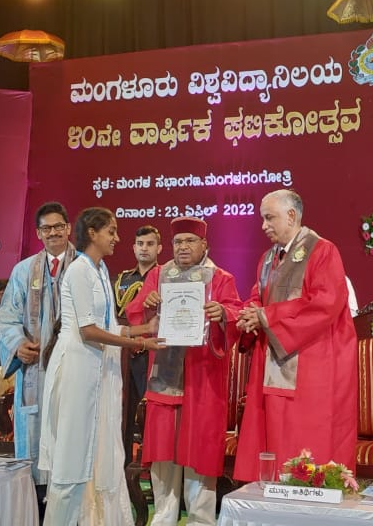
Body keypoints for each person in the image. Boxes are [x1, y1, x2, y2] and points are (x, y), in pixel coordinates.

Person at [37, 207, 165, 526]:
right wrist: (140, 343)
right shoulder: (79, 270)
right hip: (76, 368)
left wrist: (145, 329)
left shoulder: (100, 269)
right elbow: (88, 331)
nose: (117, 238)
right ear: (92, 233)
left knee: (95, 452)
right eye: (111, 231)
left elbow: (107, 325)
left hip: (96, 369)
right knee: (73, 455)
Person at [233, 189, 358, 480]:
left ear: (291, 216)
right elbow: (258, 296)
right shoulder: (268, 258)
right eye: (262, 219)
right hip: (273, 359)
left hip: (311, 361)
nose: (263, 226)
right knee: (272, 434)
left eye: (269, 218)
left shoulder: (322, 251)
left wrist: (266, 316)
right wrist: (249, 315)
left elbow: (325, 303)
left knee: (305, 437)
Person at [124, 217, 240, 526]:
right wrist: (148, 304)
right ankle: (163, 519)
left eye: (190, 241)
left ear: (204, 244)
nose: (183, 247)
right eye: (178, 242)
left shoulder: (220, 278)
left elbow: (236, 314)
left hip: (203, 382)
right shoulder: (159, 275)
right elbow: (136, 312)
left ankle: (201, 520)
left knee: (199, 453)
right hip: (165, 377)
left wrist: (222, 313)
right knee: (163, 454)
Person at [0, 201, 78, 501]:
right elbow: (7, 317)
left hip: (73, 366)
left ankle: (68, 497)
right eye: (47, 228)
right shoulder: (23, 270)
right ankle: (34, 499)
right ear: (38, 233)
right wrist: (18, 344)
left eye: (58, 226)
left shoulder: (84, 266)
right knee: (35, 430)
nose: (53, 233)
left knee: (69, 428)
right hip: (36, 367)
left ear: (68, 228)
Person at [113, 224, 162, 418]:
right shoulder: (122, 279)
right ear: (134, 248)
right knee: (122, 405)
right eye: (140, 244)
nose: (144, 248)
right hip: (124, 349)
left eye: (150, 244)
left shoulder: (165, 277)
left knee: (148, 406)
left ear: (159, 248)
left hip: (150, 350)